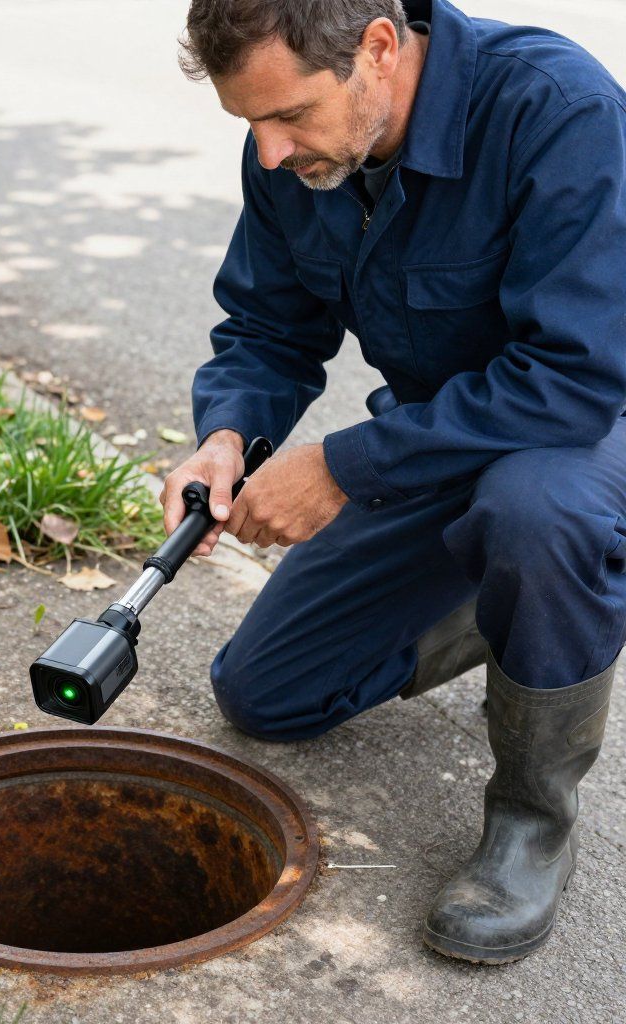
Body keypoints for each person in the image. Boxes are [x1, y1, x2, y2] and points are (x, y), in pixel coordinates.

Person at [161, 0, 626, 964]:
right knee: (266, 695)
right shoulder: (291, 152)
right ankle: (521, 600)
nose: (272, 150)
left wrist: (339, 467)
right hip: (452, 441)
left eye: (288, 116)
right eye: (249, 124)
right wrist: (226, 438)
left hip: (593, 429)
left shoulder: (556, 108)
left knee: (538, 511)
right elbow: (268, 328)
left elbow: (575, 379)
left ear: (378, 45)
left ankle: (533, 822)